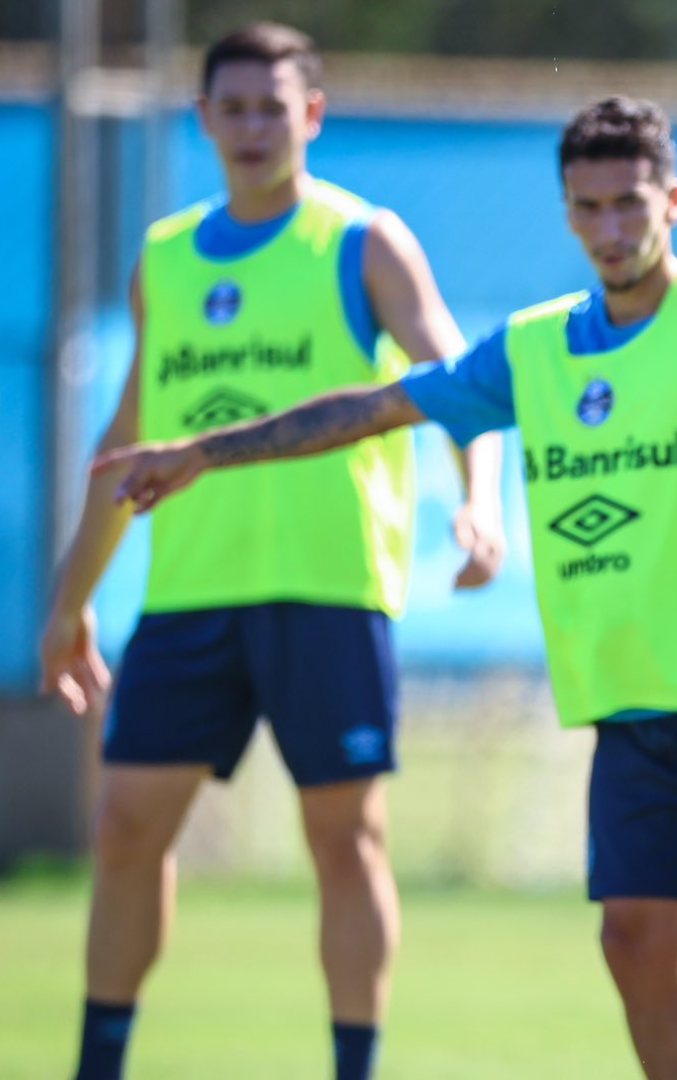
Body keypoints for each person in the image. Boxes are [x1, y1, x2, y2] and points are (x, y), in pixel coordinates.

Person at [98, 95, 677, 1080]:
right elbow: (382, 405)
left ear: (675, 200)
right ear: (567, 212)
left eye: (631, 204)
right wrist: (203, 453)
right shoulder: (534, 346)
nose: (613, 230)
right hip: (625, 691)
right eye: (591, 209)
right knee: (632, 941)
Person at [37, 23, 506, 1080]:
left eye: (273, 106)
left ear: (313, 115)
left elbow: (462, 381)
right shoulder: (164, 254)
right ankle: (98, 1063)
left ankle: (355, 1066)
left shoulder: (361, 240)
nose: (253, 126)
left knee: (345, 843)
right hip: (192, 593)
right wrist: (72, 603)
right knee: (122, 831)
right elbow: (127, 441)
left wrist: (481, 504)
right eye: (232, 107)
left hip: (329, 589)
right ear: (203, 120)